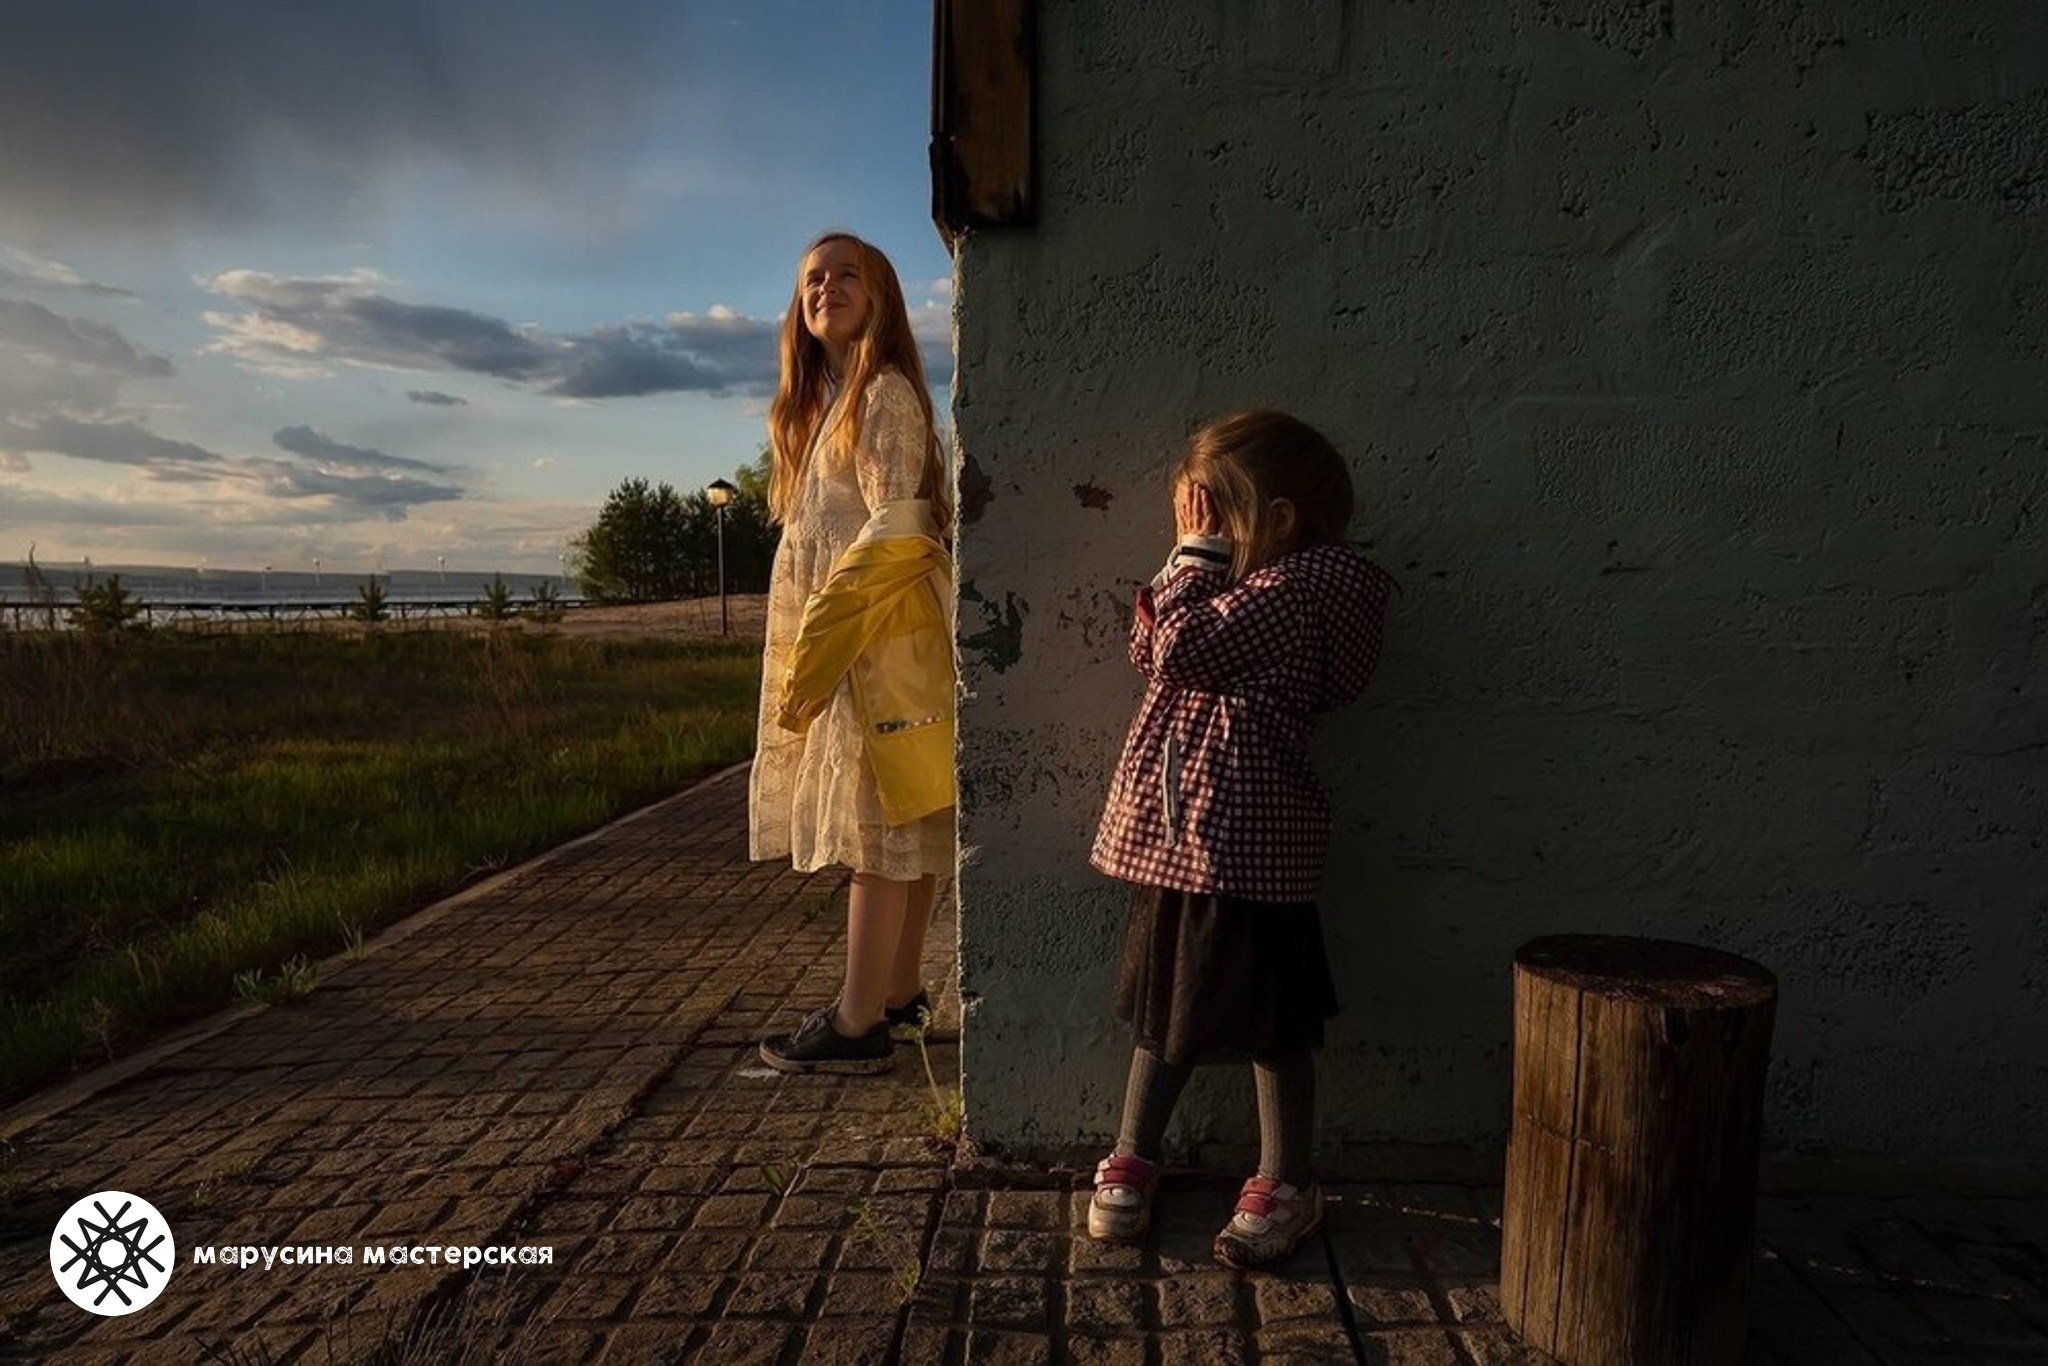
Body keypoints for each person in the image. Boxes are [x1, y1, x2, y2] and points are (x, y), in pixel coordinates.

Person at [1085, 410, 1395, 1269]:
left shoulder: (1296, 591)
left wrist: (1192, 559)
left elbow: (1176, 648)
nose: (1198, 532)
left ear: (1281, 521)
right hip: (1193, 839)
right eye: (1195, 519)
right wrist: (1197, 572)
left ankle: (1288, 1179)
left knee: (1274, 1020)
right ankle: (1137, 1151)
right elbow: (1148, 645)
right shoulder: (1253, 593)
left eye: (1214, 514)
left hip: (1241, 840)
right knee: (1165, 1005)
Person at [752, 231, 955, 1074]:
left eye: (846, 275)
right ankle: (901, 996)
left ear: (879, 297)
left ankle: (855, 1018)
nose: (826, 286)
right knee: (898, 821)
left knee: (878, 828)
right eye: (812, 278)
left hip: (872, 640)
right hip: (860, 632)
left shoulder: (883, 395)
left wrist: (825, 638)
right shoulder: (827, 403)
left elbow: (897, 527)